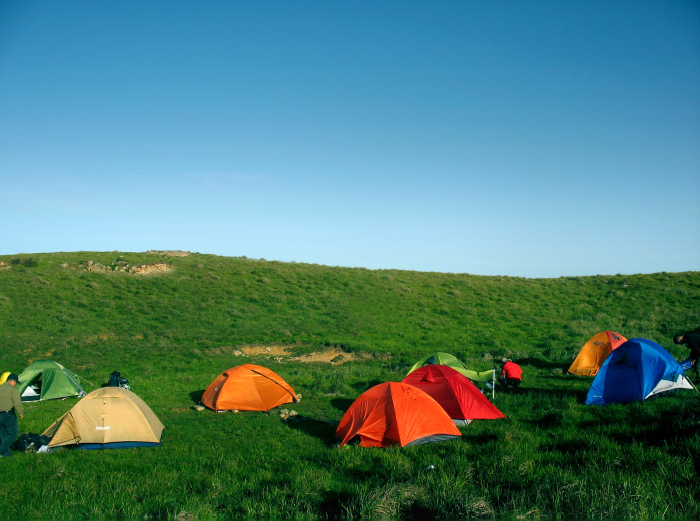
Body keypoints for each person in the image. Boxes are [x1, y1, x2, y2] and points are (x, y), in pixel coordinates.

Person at [0, 374, 24, 458]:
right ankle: (0, 450)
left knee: (3, 435)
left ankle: (7, 455)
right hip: (8, 414)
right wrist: (20, 412)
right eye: (16, 383)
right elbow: (17, 403)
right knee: (13, 434)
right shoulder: (13, 390)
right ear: (12, 381)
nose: (16, 384)